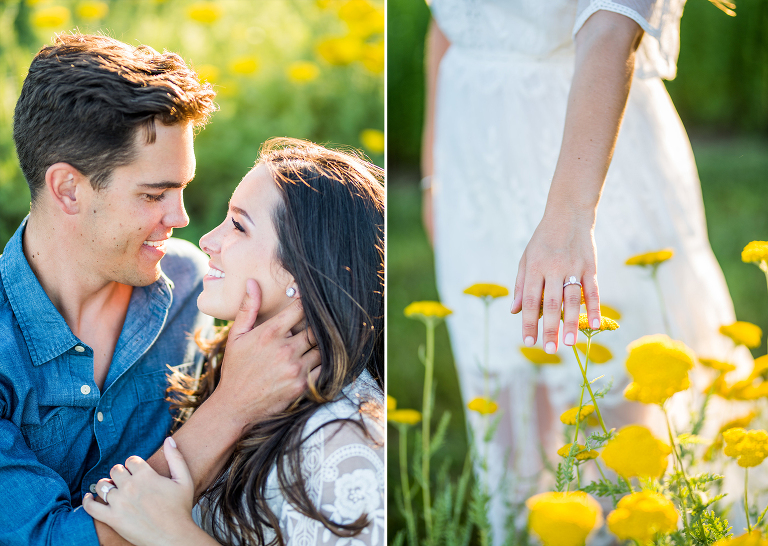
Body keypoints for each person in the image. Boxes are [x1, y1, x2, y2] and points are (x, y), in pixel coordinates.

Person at [421, 0, 749, 540]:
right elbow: (448, 21)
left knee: (614, 411)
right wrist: (434, 175)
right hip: (474, 156)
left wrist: (570, 216)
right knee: (510, 400)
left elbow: (612, 26)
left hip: (585, 152)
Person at [0, 34, 319, 545]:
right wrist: (233, 408)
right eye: (154, 195)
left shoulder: (192, 285)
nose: (182, 217)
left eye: (182, 188)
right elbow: (49, 539)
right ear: (68, 189)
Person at [80, 138, 386, 546]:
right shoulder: (228, 371)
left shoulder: (345, 438)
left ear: (305, 268)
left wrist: (173, 535)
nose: (207, 240)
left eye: (238, 226)